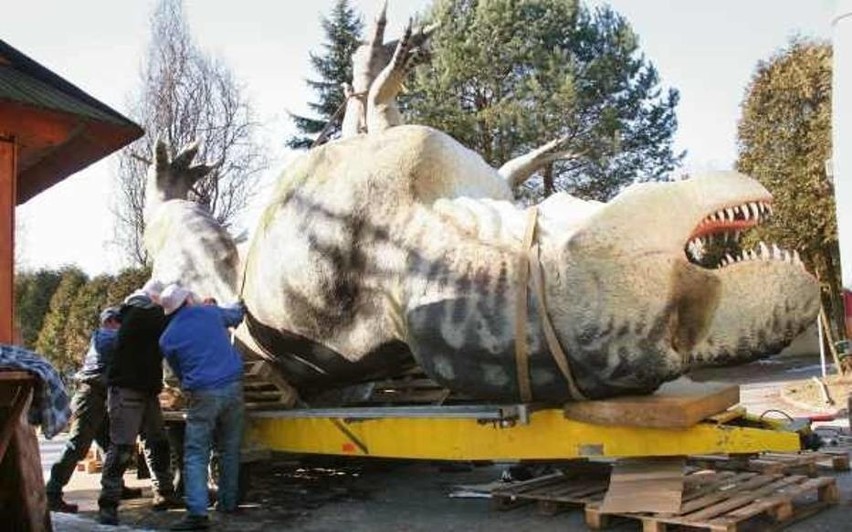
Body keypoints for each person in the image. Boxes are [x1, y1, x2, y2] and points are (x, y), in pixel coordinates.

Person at [158, 284, 246, 531]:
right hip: (233, 389)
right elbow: (236, 315)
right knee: (229, 449)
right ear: (187, 299)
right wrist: (240, 303)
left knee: (196, 453)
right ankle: (228, 502)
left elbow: (178, 371)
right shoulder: (210, 312)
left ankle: (197, 513)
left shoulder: (167, 338)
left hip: (201, 394)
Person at [97, 280, 182, 525]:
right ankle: (108, 504)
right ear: (153, 298)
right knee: (122, 448)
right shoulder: (138, 314)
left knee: (158, 442)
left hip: (146, 391)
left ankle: (164, 493)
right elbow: (167, 320)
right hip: (127, 392)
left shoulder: (143, 315)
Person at [45, 307, 143, 512]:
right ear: (109, 323)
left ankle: (115, 486)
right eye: (115, 321)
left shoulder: (104, 337)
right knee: (76, 446)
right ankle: (52, 493)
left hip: (100, 398)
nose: (117, 325)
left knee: (110, 444)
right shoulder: (106, 337)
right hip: (90, 399)